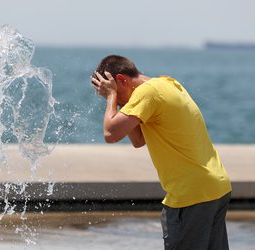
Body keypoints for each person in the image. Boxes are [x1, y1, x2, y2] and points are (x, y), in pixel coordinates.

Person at [91, 55, 232, 250]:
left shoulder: (147, 93)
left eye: (112, 89)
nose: (110, 97)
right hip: (215, 187)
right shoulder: (166, 84)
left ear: (122, 80)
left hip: (191, 195)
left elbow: (110, 133)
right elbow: (139, 141)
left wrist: (111, 98)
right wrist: (121, 100)